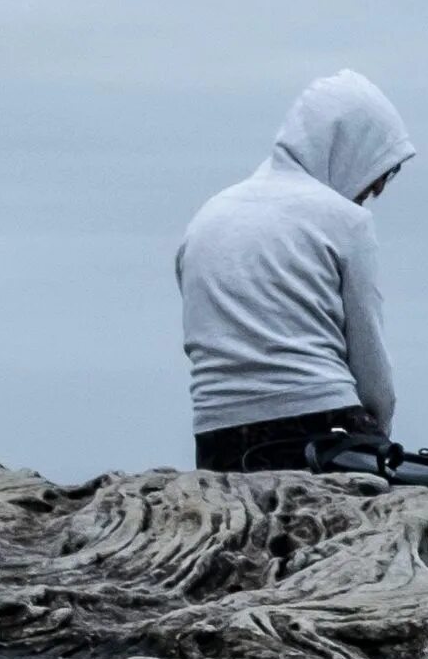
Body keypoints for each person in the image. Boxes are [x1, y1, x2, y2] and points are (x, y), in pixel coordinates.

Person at [176, 69, 415, 473]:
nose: (375, 190)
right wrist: (378, 438)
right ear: (347, 146)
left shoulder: (205, 219)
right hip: (321, 430)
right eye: (380, 172)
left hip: (217, 440)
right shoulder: (344, 220)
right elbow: (372, 372)